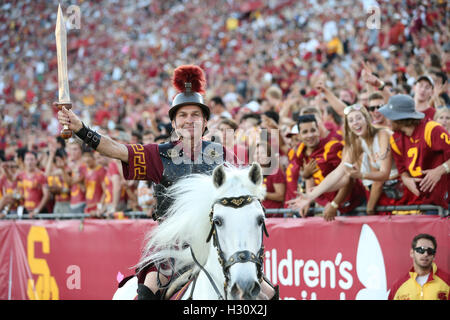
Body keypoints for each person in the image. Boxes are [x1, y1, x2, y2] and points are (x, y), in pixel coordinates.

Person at [57, 64, 275, 300]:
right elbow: (117, 150)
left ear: (204, 122)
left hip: (215, 243)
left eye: (195, 115)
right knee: (147, 293)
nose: (188, 120)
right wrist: (81, 129)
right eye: (182, 115)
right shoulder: (157, 155)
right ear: (173, 123)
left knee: (269, 294)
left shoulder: (224, 155)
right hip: (172, 246)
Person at [287, 104, 397, 218]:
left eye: (359, 118)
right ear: (348, 125)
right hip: (387, 194)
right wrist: (312, 195)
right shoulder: (357, 143)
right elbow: (339, 173)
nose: (355, 123)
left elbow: (384, 174)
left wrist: (361, 175)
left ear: (367, 119)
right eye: (351, 120)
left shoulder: (382, 134)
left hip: (403, 191)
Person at [378, 94, 450, 213]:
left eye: (390, 116)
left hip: (445, 200)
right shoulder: (395, 139)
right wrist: (406, 179)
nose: (387, 120)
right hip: (425, 201)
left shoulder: (431, 129)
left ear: (400, 118)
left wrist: (440, 170)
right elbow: (402, 170)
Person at [292, 115, 365, 220]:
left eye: (313, 130)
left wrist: (334, 204)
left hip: (354, 204)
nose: (310, 135)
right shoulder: (300, 152)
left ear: (319, 131)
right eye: (305, 132)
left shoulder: (332, 148)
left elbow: (349, 179)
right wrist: (308, 199)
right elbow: (310, 177)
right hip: (331, 206)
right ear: (299, 136)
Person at [388, 233, 449, 300]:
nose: (425, 254)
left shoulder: (447, 281)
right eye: (421, 250)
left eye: (430, 251)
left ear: (434, 256)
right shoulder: (398, 286)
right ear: (412, 253)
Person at [16, 151, 49, 217]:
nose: (29, 162)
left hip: (38, 212)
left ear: (36, 161)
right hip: (25, 211)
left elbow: (47, 195)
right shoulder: (21, 175)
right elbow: (19, 192)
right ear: (24, 161)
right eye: (27, 159)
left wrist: (37, 210)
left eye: (32, 159)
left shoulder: (41, 175)